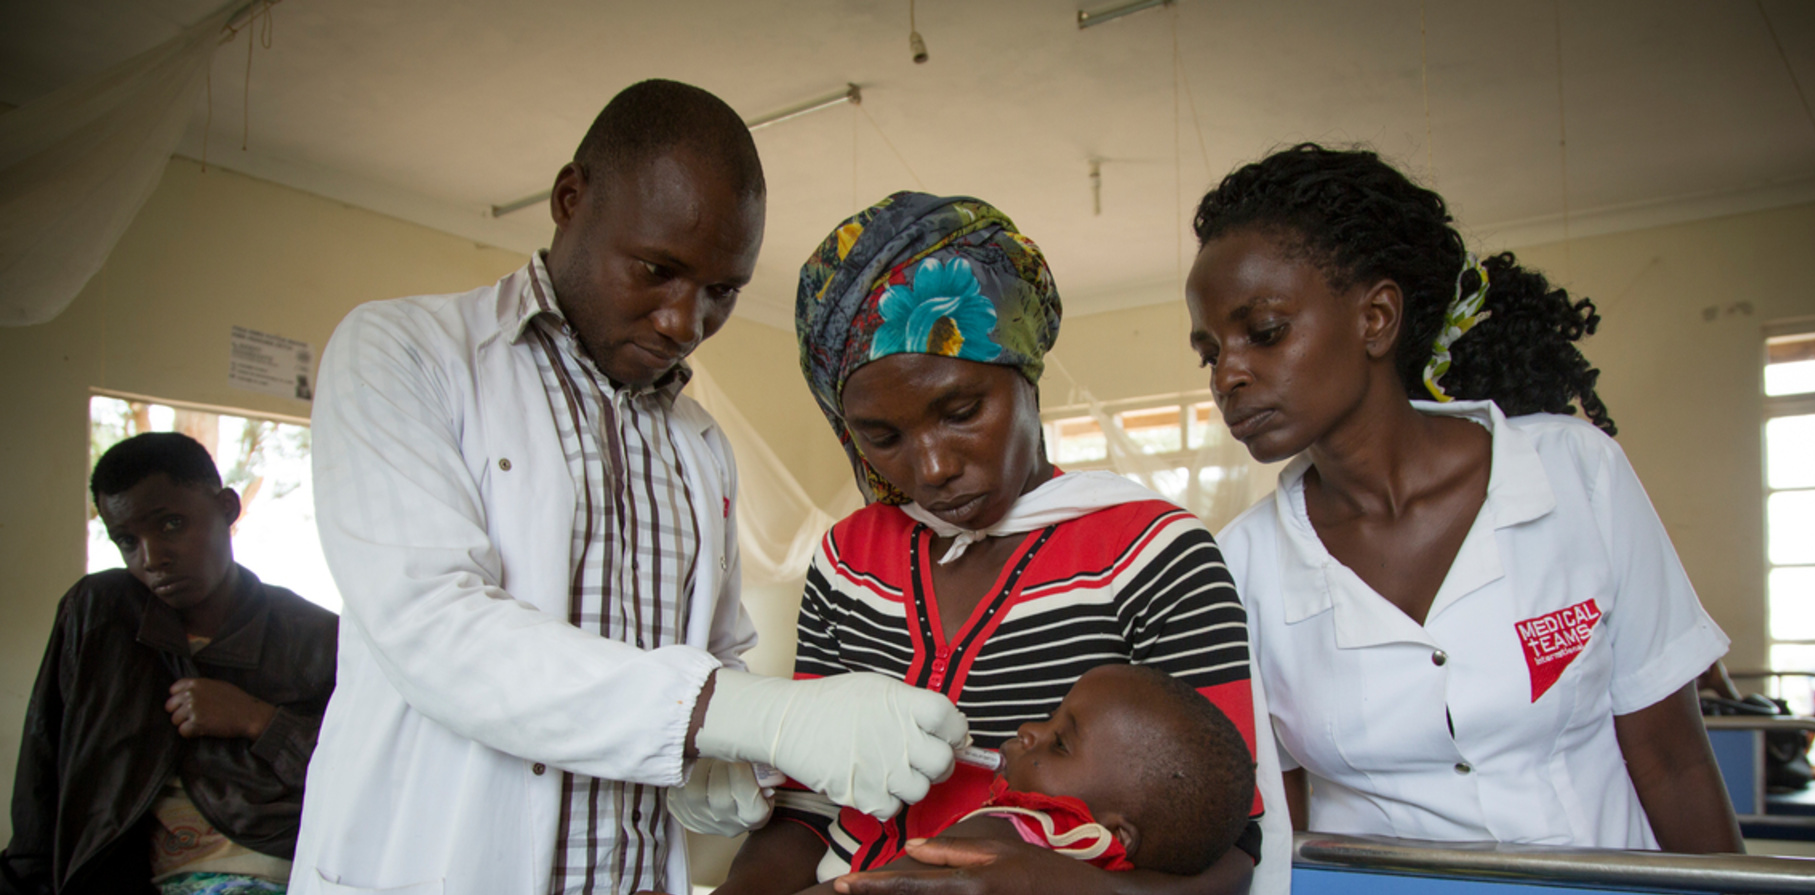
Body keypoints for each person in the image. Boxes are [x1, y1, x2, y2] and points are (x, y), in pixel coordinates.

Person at [294, 82, 966, 895]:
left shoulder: (699, 445)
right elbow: (436, 630)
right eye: (657, 270)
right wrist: (759, 715)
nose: (685, 321)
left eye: (722, 291)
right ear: (570, 200)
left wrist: (721, 756)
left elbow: (713, 653)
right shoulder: (405, 355)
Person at [687, 192, 1272, 894]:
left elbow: (1230, 851)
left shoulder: (1155, 558)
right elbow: (812, 809)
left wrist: (1040, 886)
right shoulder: (849, 562)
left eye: (961, 410)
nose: (931, 467)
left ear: (1025, 370)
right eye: (883, 437)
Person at [1187, 143, 1742, 852]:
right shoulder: (1241, 565)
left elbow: (1673, 759)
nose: (1228, 375)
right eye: (1210, 352)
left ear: (1377, 318)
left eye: (1264, 333)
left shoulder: (1577, 475)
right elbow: (1281, 822)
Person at [1, 432, 338, 895]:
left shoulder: (317, 636)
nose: (152, 558)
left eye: (171, 524)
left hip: (285, 875)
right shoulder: (103, 615)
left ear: (226, 508)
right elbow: (44, 768)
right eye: (126, 540)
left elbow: (374, 782)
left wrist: (258, 720)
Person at [805, 663, 1258, 895]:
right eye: (1050, 718)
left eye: (1060, 743)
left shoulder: (1017, 830)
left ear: (1112, 833)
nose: (1029, 731)